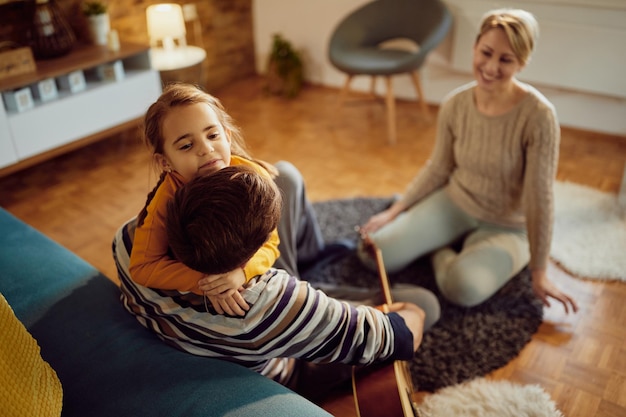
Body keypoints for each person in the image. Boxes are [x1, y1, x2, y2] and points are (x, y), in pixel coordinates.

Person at [116, 164, 438, 400]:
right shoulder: (268, 305)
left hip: (236, 331)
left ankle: (312, 262)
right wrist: (410, 310)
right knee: (426, 302)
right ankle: (319, 288)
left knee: (284, 175)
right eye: (270, 238)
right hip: (288, 361)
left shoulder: (129, 242)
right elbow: (397, 336)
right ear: (252, 258)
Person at [357, 8, 578, 314]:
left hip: (508, 226)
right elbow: (439, 166)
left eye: (506, 59)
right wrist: (396, 211)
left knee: (463, 287)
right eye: (486, 52)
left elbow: (540, 198)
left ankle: (440, 249)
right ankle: (438, 235)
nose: (490, 67)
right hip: (456, 202)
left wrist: (539, 272)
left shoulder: (539, 117)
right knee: (373, 254)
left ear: (522, 62)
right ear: (474, 48)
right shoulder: (455, 105)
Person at [129, 83, 349, 317]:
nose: (206, 149)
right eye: (186, 145)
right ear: (165, 162)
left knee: (287, 178)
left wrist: (243, 273)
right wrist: (209, 282)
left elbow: (271, 244)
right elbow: (142, 267)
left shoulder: (255, 180)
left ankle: (303, 276)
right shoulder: (166, 200)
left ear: (227, 135)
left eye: (213, 135)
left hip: (264, 257)